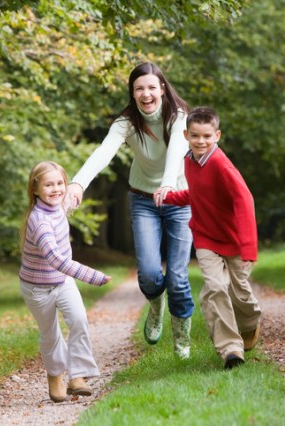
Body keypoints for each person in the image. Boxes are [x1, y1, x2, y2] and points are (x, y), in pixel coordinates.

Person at [65, 62, 194, 359]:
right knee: (149, 274)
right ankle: (155, 305)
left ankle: (181, 338)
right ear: (133, 93)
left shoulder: (179, 118)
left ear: (162, 88)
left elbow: (176, 151)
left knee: (177, 276)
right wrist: (77, 184)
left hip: (178, 199)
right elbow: (103, 153)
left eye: (151, 87)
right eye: (139, 88)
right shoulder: (126, 123)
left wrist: (166, 185)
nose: (146, 94)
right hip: (143, 201)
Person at [158, 106, 261, 369]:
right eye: (195, 136)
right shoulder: (189, 160)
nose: (200, 141)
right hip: (205, 236)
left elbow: (244, 200)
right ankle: (231, 350)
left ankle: (250, 324)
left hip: (233, 240)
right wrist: (170, 197)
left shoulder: (220, 164)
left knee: (241, 294)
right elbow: (198, 195)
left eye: (206, 136)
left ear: (217, 135)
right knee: (215, 288)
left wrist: (248, 247)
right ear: (186, 135)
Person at [19, 161, 111, 403]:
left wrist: (77, 186)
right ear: (35, 189)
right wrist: (94, 276)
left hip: (63, 282)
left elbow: (73, 194)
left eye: (60, 183)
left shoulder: (60, 203)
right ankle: (55, 374)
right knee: (51, 334)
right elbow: (56, 260)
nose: (56, 189)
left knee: (79, 319)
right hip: (37, 287)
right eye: (49, 185)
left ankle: (78, 376)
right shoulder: (39, 221)